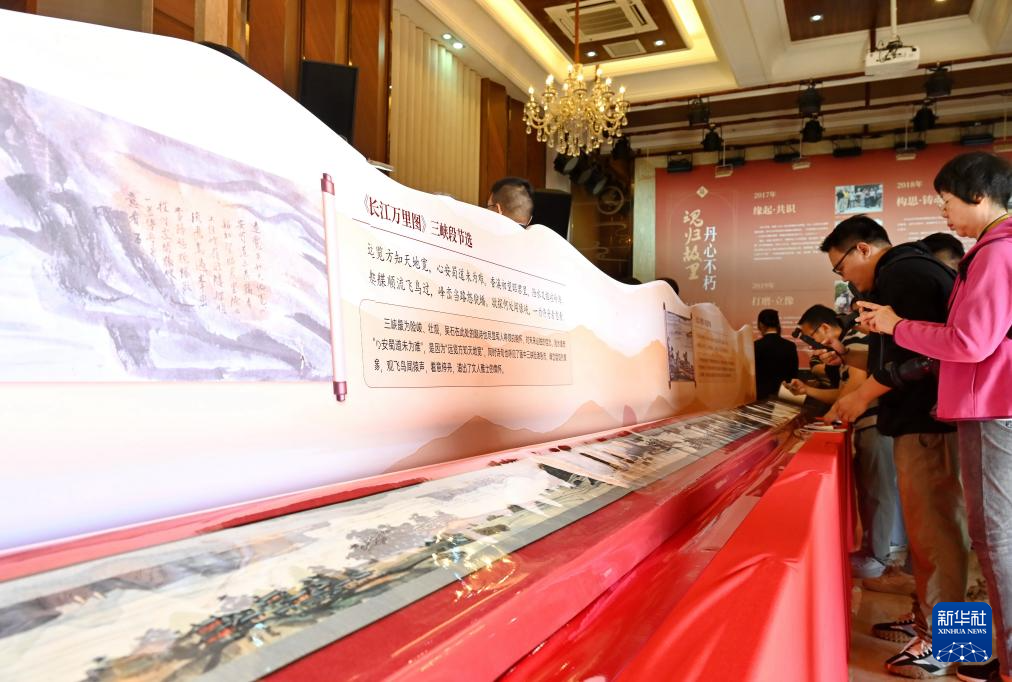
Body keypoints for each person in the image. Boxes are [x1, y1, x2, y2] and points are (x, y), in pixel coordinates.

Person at [860, 152, 1012, 682]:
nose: (943, 213)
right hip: (963, 410)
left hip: (960, 414)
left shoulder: (981, 256)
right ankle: (954, 640)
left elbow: (967, 342)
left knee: (960, 538)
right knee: (962, 536)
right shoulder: (966, 258)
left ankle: (952, 647)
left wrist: (893, 326)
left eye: (947, 201)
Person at [819, 214, 968, 678]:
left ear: (863, 248)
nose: (845, 278)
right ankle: (928, 620)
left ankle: (948, 645)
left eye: (841, 267)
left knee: (939, 535)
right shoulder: (907, 272)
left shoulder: (904, 273)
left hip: (930, 422)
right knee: (932, 534)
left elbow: (928, 355)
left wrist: (862, 395)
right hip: (927, 420)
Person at [788, 304, 903, 580]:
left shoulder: (854, 338)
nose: (812, 346)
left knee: (878, 492)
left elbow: (854, 389)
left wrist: (826, 419)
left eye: (811, 337)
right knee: (873, 490)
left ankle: (879, 557)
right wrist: (809, 390)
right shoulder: (847, 345)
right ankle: (876, 553)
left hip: (875, 422)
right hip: (868, 423)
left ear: (825, 328)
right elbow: (843, 392)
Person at [753, 309, 797, 400]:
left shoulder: (755, 346)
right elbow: (794, 375)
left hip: (760, 396)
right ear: (778, 324)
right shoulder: (790, 346)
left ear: (760, 324)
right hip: (784, 397)